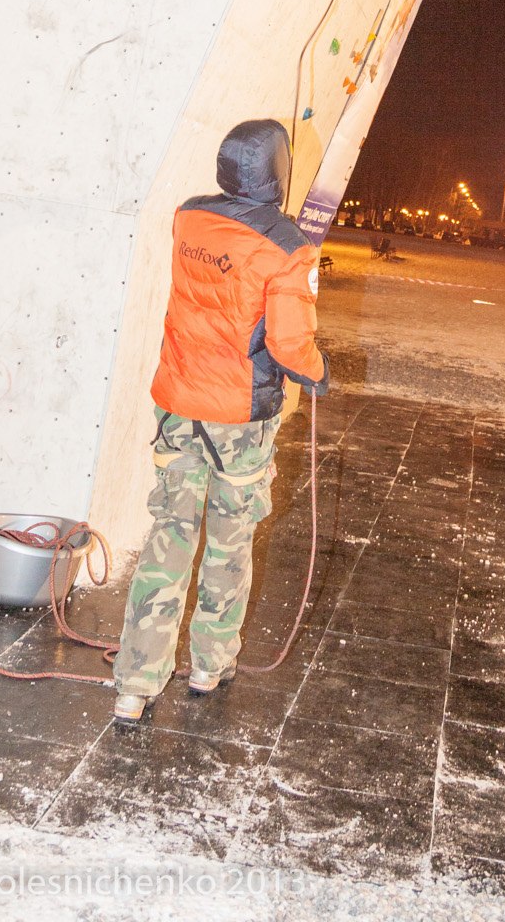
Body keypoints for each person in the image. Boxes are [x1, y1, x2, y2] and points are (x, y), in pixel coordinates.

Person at [112, 119, 329, 730]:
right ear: (278, 175)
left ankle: (134, 685)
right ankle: (210, 664)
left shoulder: (189, 218)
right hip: (238, 419)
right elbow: (288, 343)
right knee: (229, 543)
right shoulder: (287, 244)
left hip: (178, 408)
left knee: (168, 538)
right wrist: (316, 373)